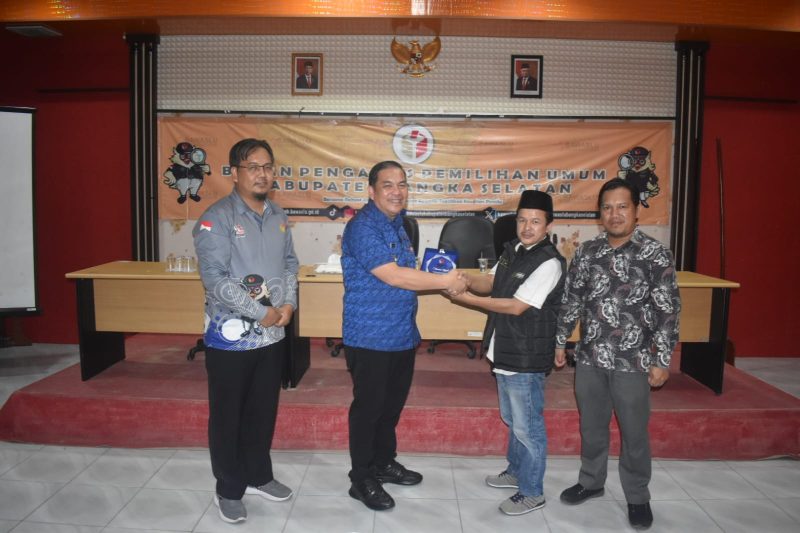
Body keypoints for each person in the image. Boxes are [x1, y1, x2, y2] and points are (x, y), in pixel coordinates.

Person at [554, 177, 680, 530]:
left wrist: (662, 360)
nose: (614, 214)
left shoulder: (655, 254)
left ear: (636, 211)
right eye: (607, 208)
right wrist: (560, 340)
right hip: (590, 358)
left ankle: (637, 497)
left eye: (622, 206)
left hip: (633, 361)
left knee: (634, 433)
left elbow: (668, 310)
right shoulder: (587, 252)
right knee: (592, 426)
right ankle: (591, 482)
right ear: (600, 214)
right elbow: (572, 299)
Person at [341, 160, 468, 511]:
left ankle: (383, 462)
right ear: (372, 191)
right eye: (388, 185)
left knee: (390, 408)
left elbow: (407, 273)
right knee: (368, 410)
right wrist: (445, 281)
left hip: (400, 334)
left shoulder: (397, 225)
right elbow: (394, 275)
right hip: (370, 337)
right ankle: (361, 478)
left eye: (402, 184)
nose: (397, 192)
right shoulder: (363, 227)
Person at [193, 138, 299, 524]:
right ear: (234, 173)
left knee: (262, 410)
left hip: (272, 334)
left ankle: (257, 475)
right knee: (228, 415)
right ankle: (229, 487)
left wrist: (288, 304)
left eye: (267, 166)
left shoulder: (278, 214)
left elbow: (290, 263)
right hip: (230, 338)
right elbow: (215, 279)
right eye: (252, 167)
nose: (262, 174)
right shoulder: (216, 218)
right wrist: (260, 312)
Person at [449, 190, 565, 516]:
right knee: (513, 419)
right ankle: (516, 471)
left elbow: (515, 306)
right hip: (504, 349)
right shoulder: (512, 250)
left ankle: (532, 491)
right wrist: (466, 279)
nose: (527, 227)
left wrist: (465, 298)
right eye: (522, 220)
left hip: (526, 356)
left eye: (535, 222)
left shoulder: (549, 262)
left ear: (548, 225)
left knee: (529, 427)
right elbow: (491, 283)